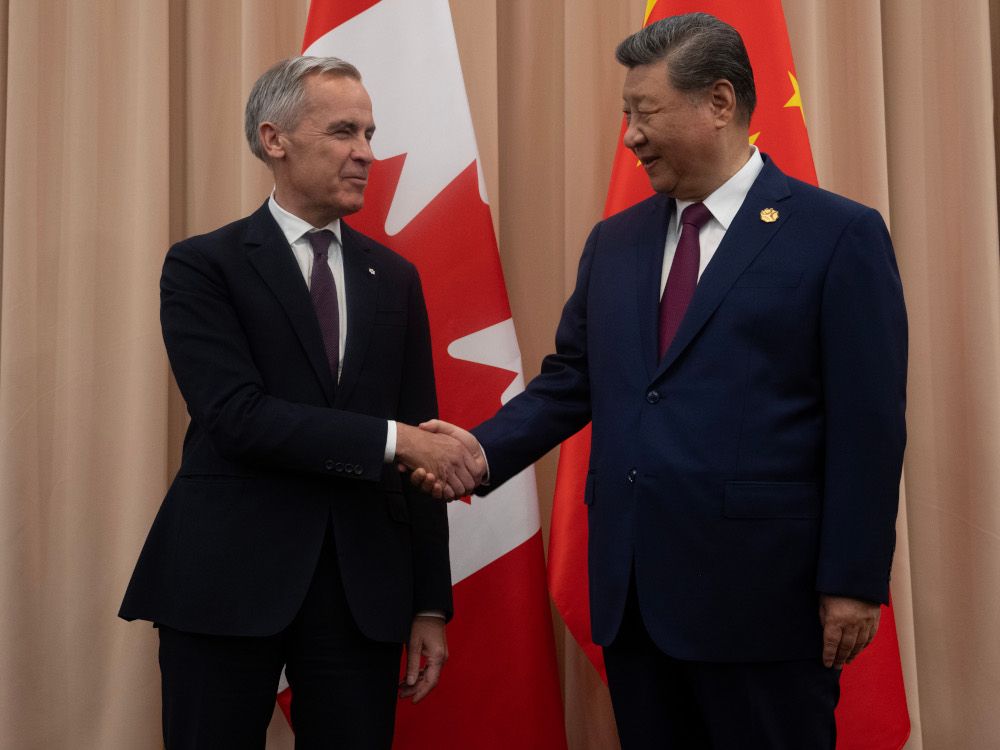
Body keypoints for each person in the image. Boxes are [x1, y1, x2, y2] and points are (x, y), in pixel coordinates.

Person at [413, 13, 907, 748]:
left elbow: (869, 423)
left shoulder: (837, 236)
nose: (631, 137)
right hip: (635, 598)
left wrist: (854, 580)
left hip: (763, 603)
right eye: (625, 115)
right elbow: (573, 379)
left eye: (645, 114)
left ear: (718, 102)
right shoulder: (616, 241)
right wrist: (480, 453)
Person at [119, 56, 482, 749]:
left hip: (359, 590)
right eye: (344, 131)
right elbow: (237, 416)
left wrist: (431, 602)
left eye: (370, 132)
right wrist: (395, 441)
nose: (367, 154)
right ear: (274, 138)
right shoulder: (204, 265)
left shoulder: (395, 279)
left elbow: (424, 443)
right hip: (225, 578)